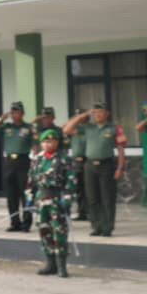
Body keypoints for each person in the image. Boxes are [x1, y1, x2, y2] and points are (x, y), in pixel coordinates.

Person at [64, 103, 126, 237]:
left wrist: (120, 167)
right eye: (95, 112)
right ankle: (96, 226)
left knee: (107, 197)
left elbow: (121, 148)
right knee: (92, 198)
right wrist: (83, 114)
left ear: (107, 113)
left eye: (100, 111)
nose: (97, 114)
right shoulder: (87, 127)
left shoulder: (114, 128)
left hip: (107, 165)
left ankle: (107, 227)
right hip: (90, 165)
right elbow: (67, 129)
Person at [26, 129, 76, 277]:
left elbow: (71, 180)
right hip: (41, 199)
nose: (48, 144)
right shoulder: (37, 159)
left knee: (59, 231)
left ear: (57, 142)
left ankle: (62, 266)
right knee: (44, 231)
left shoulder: (64, 159)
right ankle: (50, 264)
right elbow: (31, 181)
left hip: (56, 198)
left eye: (51, 141)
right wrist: (29, 198)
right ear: (41, 143)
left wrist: (67, 199)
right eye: (45, 141)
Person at [0, 102, 35, 232]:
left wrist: (35, 161)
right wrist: (0, 119)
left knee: (26, 194)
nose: (14, 114)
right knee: (11, 195)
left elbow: (35, 146)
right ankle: (15, 223)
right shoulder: (6, 127)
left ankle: (26, 223)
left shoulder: (29, 127)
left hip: (24, 162)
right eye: (12, 112)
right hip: (9, 163)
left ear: (22, 113)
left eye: (17, 112)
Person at [69, 108, 89, 221]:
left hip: (87, 160)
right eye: (77, 116)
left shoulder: (89, 127)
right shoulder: (74, 128)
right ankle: (82, 212)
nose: (79, 118)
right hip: (76, 161)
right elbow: (65, 128)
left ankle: (89, 212)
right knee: (79, 188)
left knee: (89, 188)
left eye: (81, 115)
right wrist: (75, 118)